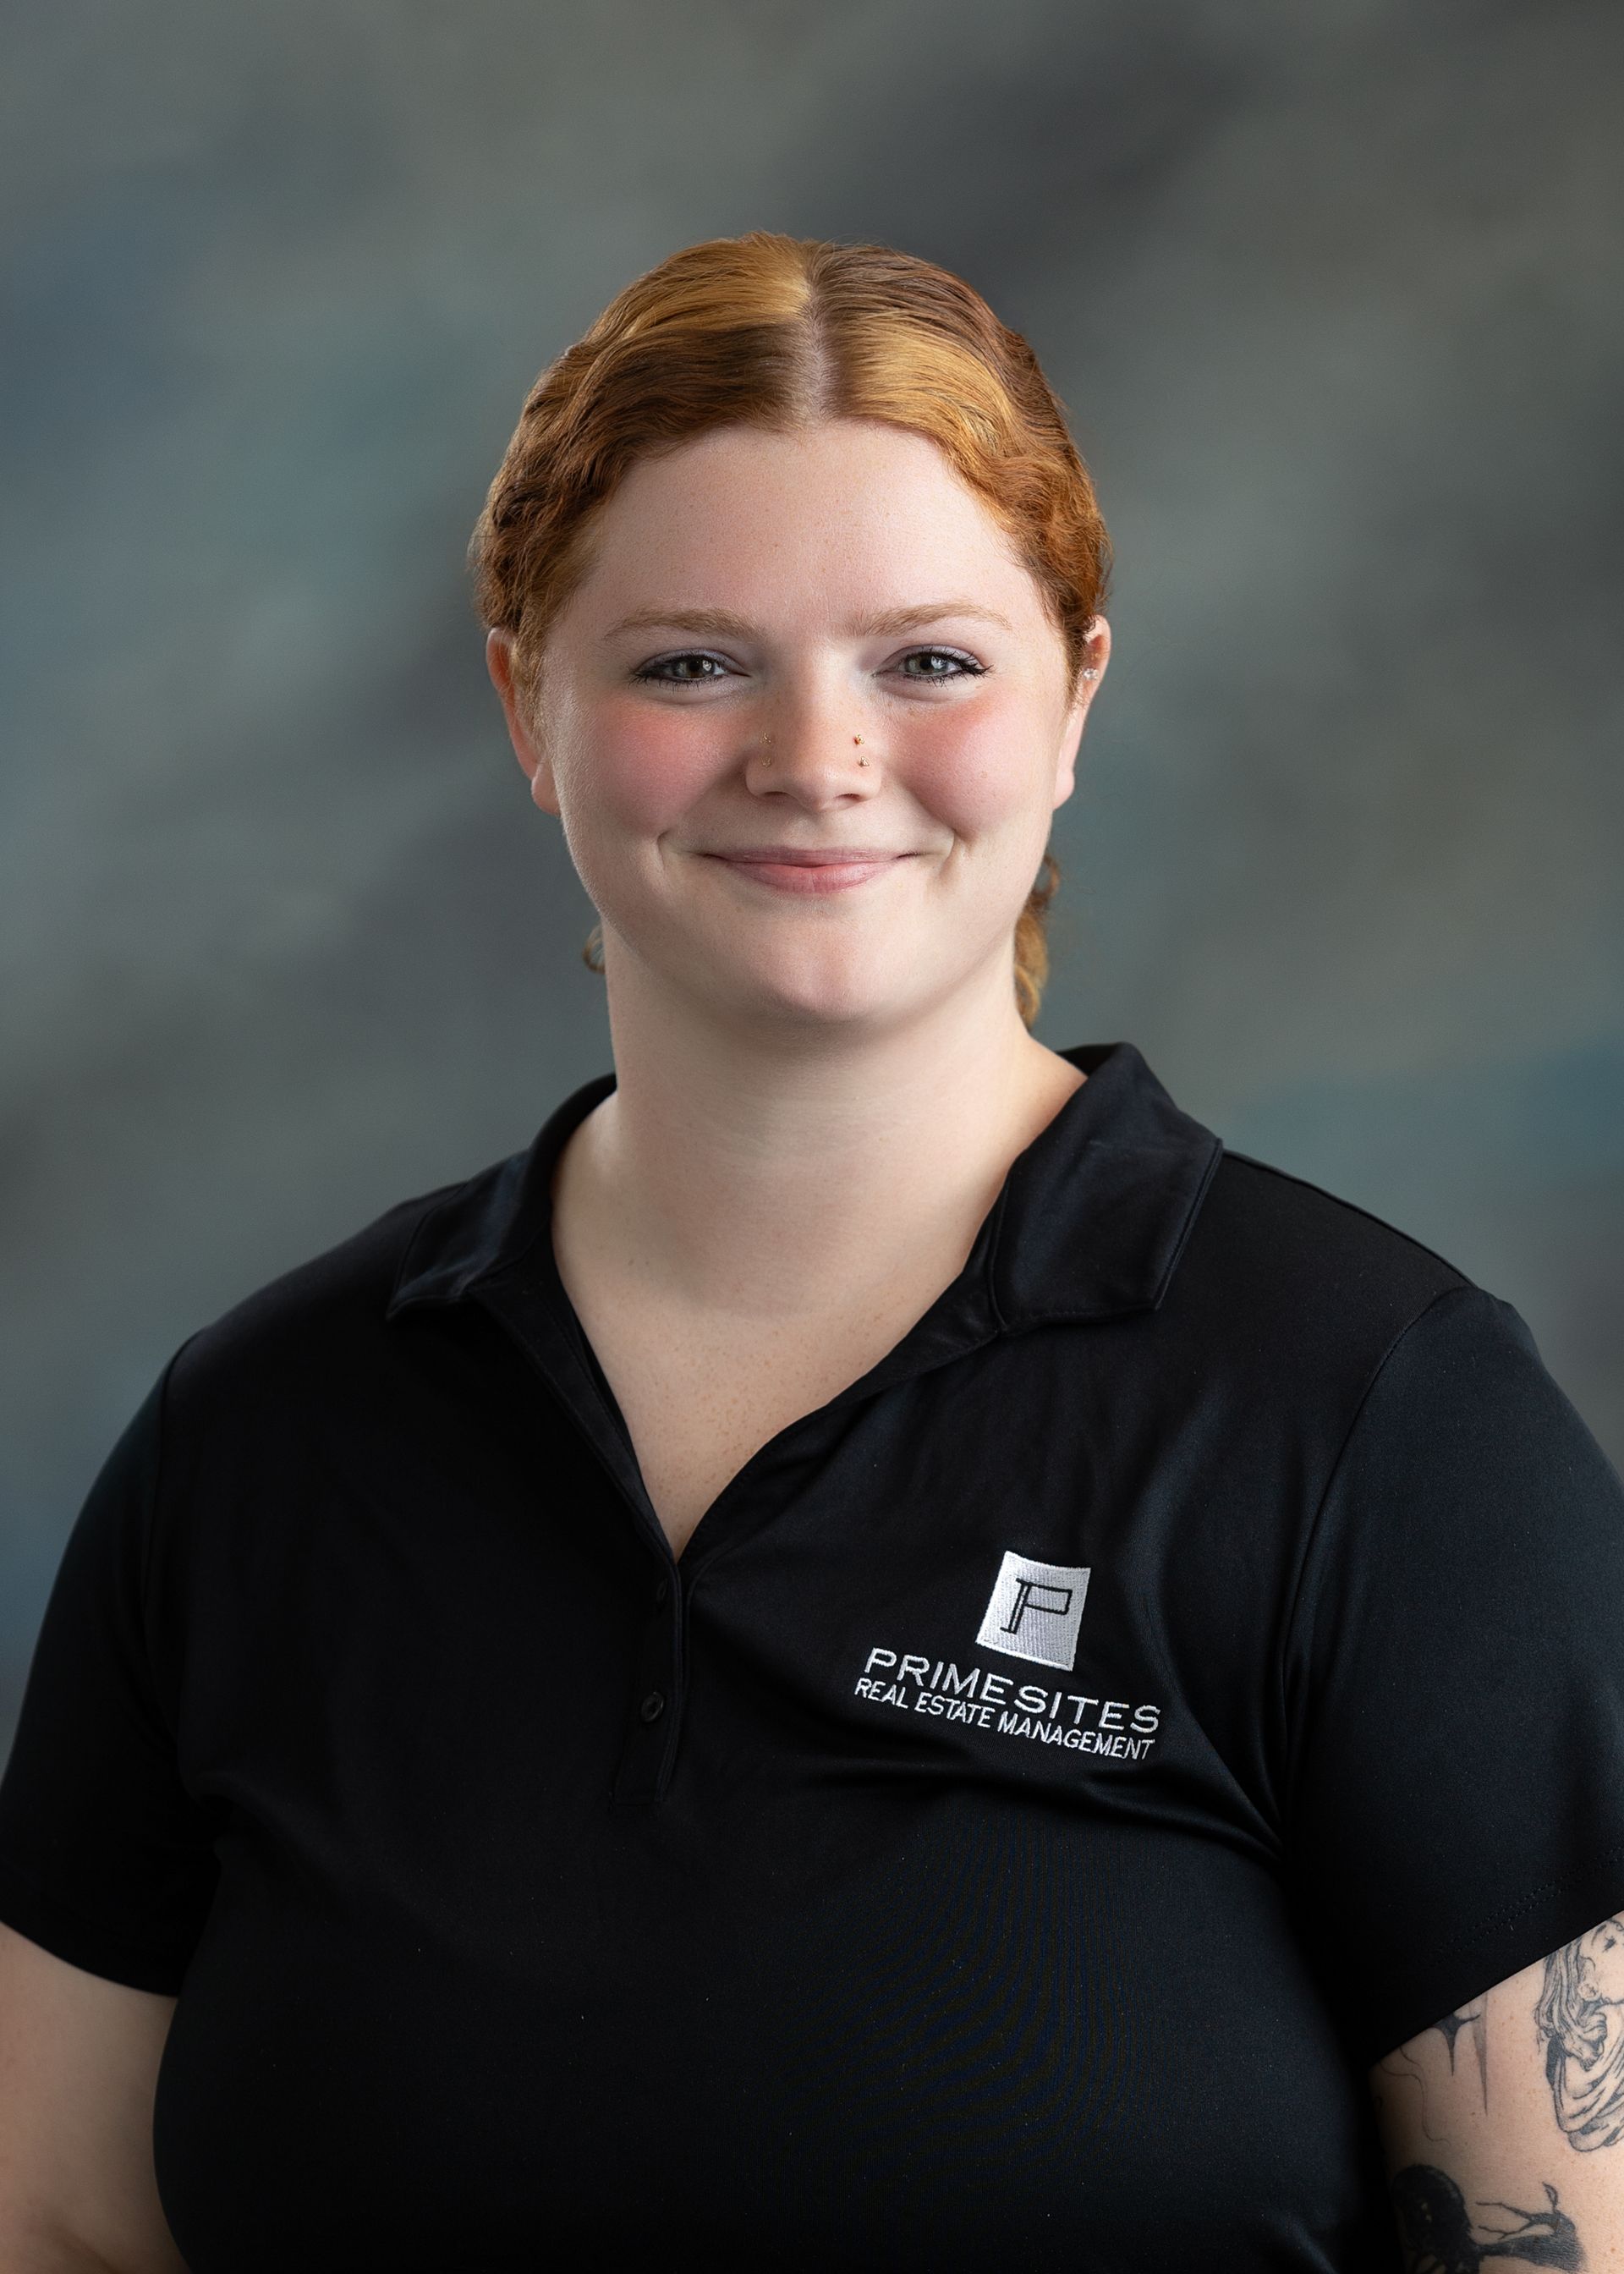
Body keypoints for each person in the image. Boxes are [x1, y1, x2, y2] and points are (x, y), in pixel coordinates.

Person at [1, 230, 1621, 2274]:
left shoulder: (1380, 1429)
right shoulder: (262, 1439)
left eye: (929, 660)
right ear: (529, 708)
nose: (816, 757)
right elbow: (58, 2222)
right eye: (692, 662)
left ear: (1073, 700)